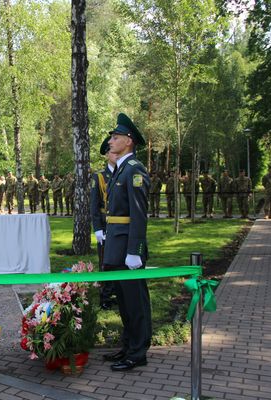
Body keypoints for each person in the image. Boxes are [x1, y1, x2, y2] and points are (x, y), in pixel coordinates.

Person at [102, 113, 152, 372]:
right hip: (117, 245)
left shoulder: (134, 170)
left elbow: (138, 215)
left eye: (115, 137)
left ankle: (138, 352)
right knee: (124, 301)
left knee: (135, 302)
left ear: (129, 141)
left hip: (127, 249)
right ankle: (129, 346)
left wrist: (135, 251)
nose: (111, 141)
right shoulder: (120, 169)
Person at [91, 137, 117, 310]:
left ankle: (118, 293)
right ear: (107, 155)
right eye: (112, 152)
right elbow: (94, 205)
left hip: (120, 225)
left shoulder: (124, 172)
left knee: (119, 261)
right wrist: (98, 229)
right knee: (106, 262)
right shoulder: (100, 176)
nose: (116, 155)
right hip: (105, 225)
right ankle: (105, 296)